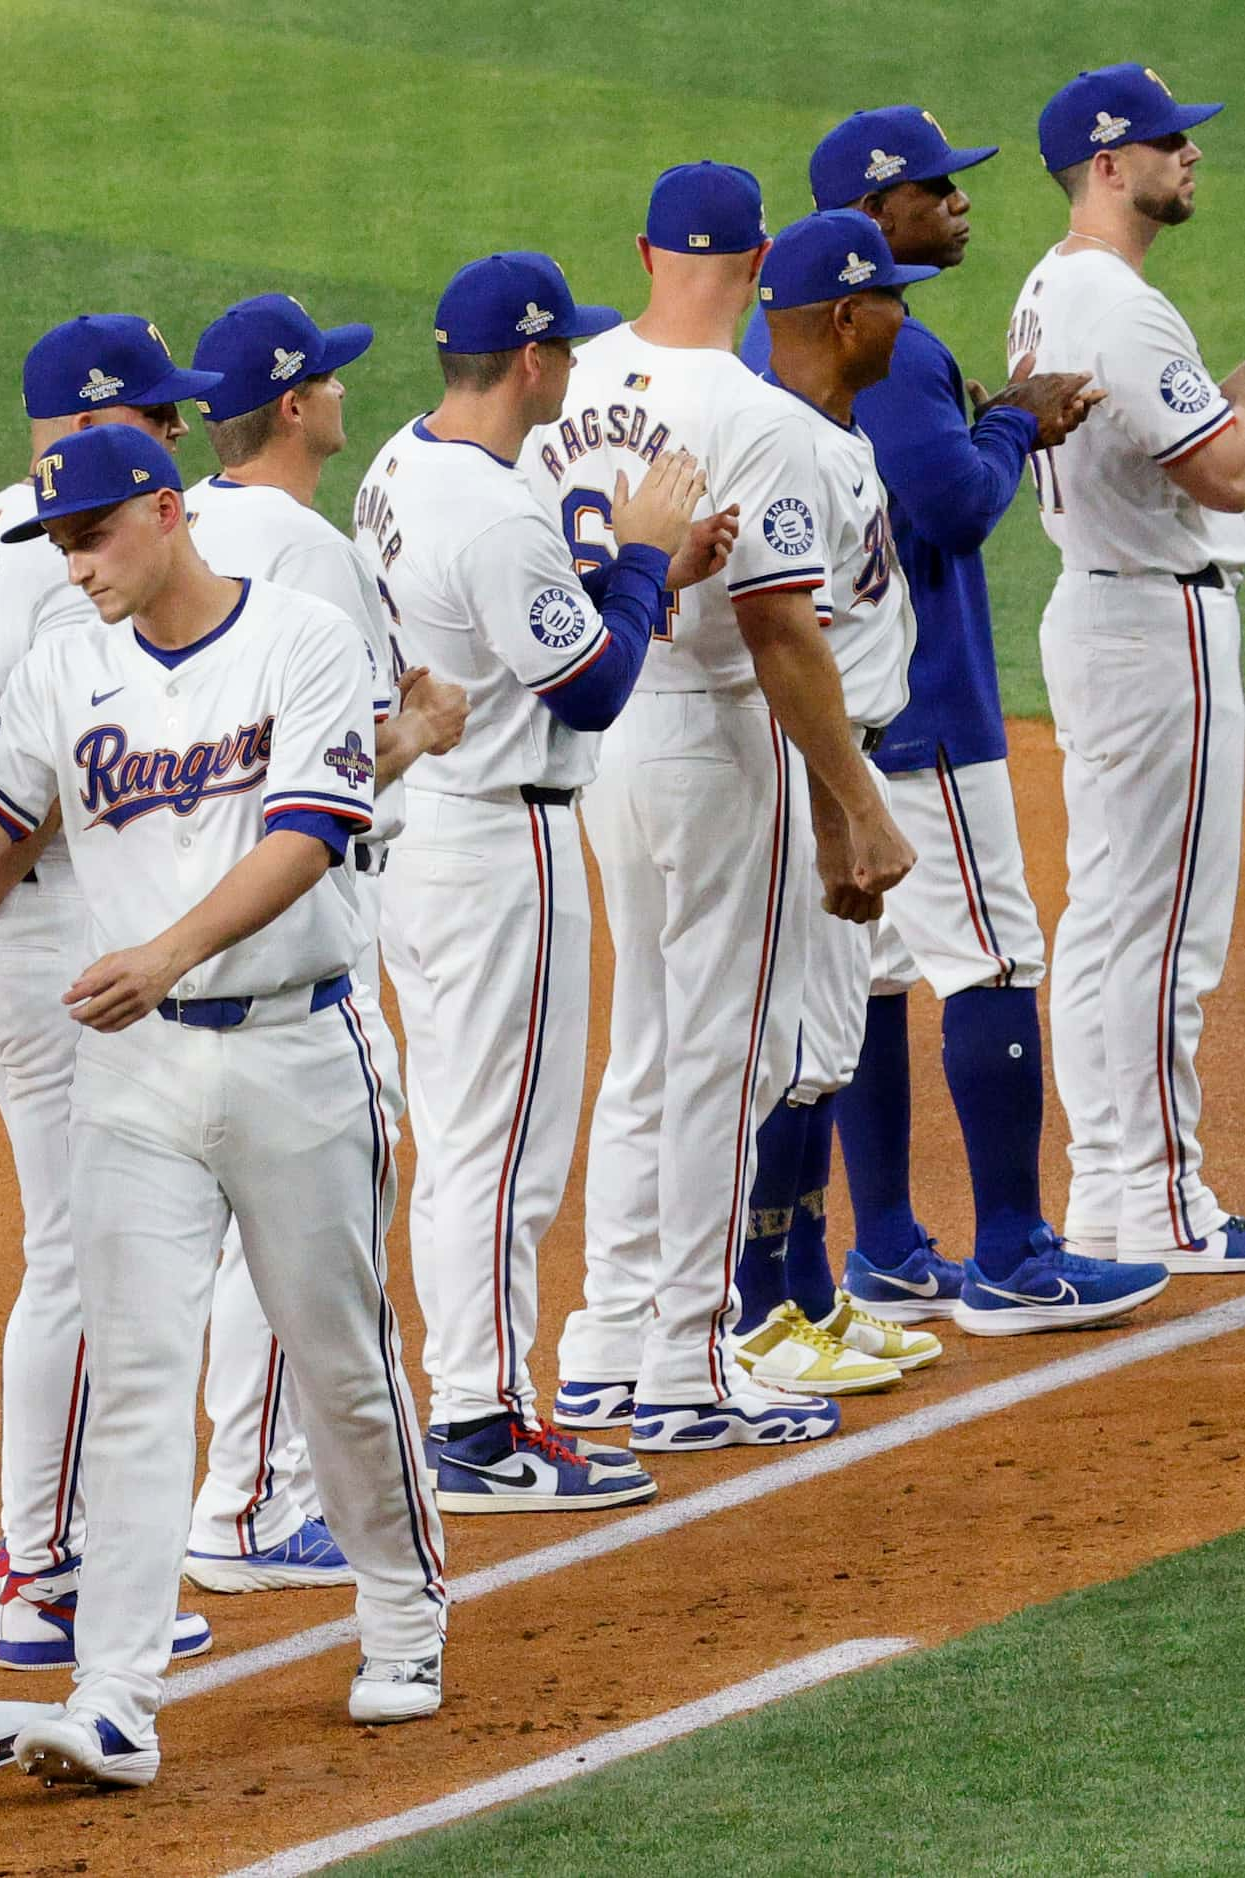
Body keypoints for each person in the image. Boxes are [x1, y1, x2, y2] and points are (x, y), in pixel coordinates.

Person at [0, 422, 451, 1791]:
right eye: (59, 541)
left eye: (95, 533)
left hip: (297, 1048)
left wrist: (168, 951)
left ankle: (403, 1607)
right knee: (133, 1377)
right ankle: (114, 1689)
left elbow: (307, 833)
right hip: (134, 1072)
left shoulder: (298, 637)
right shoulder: (63, 662)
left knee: (338, 1351)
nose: (75, 563)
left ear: (168, 511)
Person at [737, 105, 1156, 1337]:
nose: (961, 203)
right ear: (870, 222)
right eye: (934, 189)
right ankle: (1019, 1255)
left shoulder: (776, 359)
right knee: (990, 955)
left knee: (868, 978)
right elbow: (959, 506)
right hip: (923, 707)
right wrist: (1020, 419)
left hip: (840, 713)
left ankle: (890, 1248)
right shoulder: (896, 351)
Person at [522, 161, 915, 1452]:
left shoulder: (565, 379)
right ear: (756, 269)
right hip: (706, 736)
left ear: (642, 252)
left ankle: (601, 1345)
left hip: (598, 731)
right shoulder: (757, 410)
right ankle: (685, 1364)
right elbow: (780, 632)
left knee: (647, 1038)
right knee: (719, 1055)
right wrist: (853, 804)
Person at [356, 252, 718, 1511]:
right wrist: (646, 555)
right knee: (502, 1150)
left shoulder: (398, 463)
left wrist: (632, 567)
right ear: (529, 362)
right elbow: (599, 686)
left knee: (464, 1138)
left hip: (429, 835)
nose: (574, 361)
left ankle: (462, 1402)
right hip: (503, 844)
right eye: (562, 346)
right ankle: (482, 1423)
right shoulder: (497, 516)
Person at [0, 317, 237, 1653]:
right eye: (160, 416)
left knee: (95, 1234)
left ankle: (67, 1551)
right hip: (32, 930)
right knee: (83, 1246)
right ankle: (40, 1568)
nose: (175, 436)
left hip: (4, 926)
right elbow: (38, 782)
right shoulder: (68, 567)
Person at [186, 292, 468, 1557]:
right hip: (294, 920)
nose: (352, 391)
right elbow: (344, 771)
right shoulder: (308, 551)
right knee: (302, 1206)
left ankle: (248, 1492)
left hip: (180, 904)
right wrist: (424, 729)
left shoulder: (174, 527)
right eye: (334, 379)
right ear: (293, 406)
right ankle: (254, 1499)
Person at [720, 212, 959, 1396]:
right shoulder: (791, 446)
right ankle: (761, 1311)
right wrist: (842, 799)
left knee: (826, 1036)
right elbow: (785, 633)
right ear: (849, 318)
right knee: (787, 1043)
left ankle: (809, 1288)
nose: (910, 319)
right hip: (801, 767)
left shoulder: (828, 433)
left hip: (832, 757)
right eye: (896, 301)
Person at [1013, 64, 1245, 1272]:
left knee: (1108, 922)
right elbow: (1228, 477)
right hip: (1158, 632)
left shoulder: (1056, 287)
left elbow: (1192, 431)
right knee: (1162, 935)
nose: (1191, 155)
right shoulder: (1123, 305)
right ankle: (1160, 1199)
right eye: (1169, 141)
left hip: (1101, 612)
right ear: (1110, 165)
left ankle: (1113, 1189)